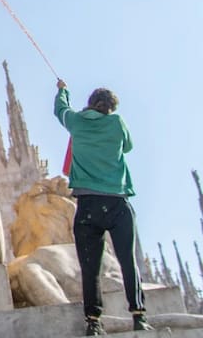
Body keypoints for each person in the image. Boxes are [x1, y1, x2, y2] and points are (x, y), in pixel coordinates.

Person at [54, 80, 151, 334]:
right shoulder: (117, 123)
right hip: (117, 203)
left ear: (90, 104)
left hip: (88, 206)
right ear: (111, 107)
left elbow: (60, 109)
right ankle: (139, 316)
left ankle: (93, 323)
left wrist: (62, 90)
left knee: (90, 268)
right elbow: (128, 146)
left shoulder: (76, 121)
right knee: (127, 261)